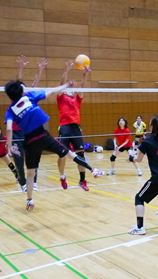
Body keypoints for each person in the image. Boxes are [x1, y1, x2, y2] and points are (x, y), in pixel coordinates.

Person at [4, 80, 104, 210]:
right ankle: (93, 170)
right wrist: (65, 86)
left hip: (29, 141)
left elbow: (9, 129)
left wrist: (10, 145)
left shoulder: (10, 111)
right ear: (21, 90)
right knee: (70, 154)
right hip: (43, 135)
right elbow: (51, 91)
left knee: (30, 173)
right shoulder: (29, 97)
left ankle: (29, 200)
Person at [128, 115, 158, 235]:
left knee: (139, 198)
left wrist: (130, 157)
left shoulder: (148, 141)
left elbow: (138, 159)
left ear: (153, 126)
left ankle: (140, 227)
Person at [13, 55, 48, 192]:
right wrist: (20, 68)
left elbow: (36, 83)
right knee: (19, 160)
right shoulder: (15, 98)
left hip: (29, 132)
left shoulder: (30, 97)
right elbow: (17, 82)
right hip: (16, 132)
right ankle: (23, 183)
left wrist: (40, 70)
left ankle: (33, 182)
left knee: (33, 157)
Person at [56, 60, 91, 191]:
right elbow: (60, 86)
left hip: (76, 128)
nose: (70, 89)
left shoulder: (77, 99)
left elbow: (82, 88)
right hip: (64, 128)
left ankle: (82, 180)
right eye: (68, 88)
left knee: (80, 155)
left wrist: (85, 75)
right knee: (62, 155)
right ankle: (62, 176)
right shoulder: (61, 98)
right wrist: (66, 71)